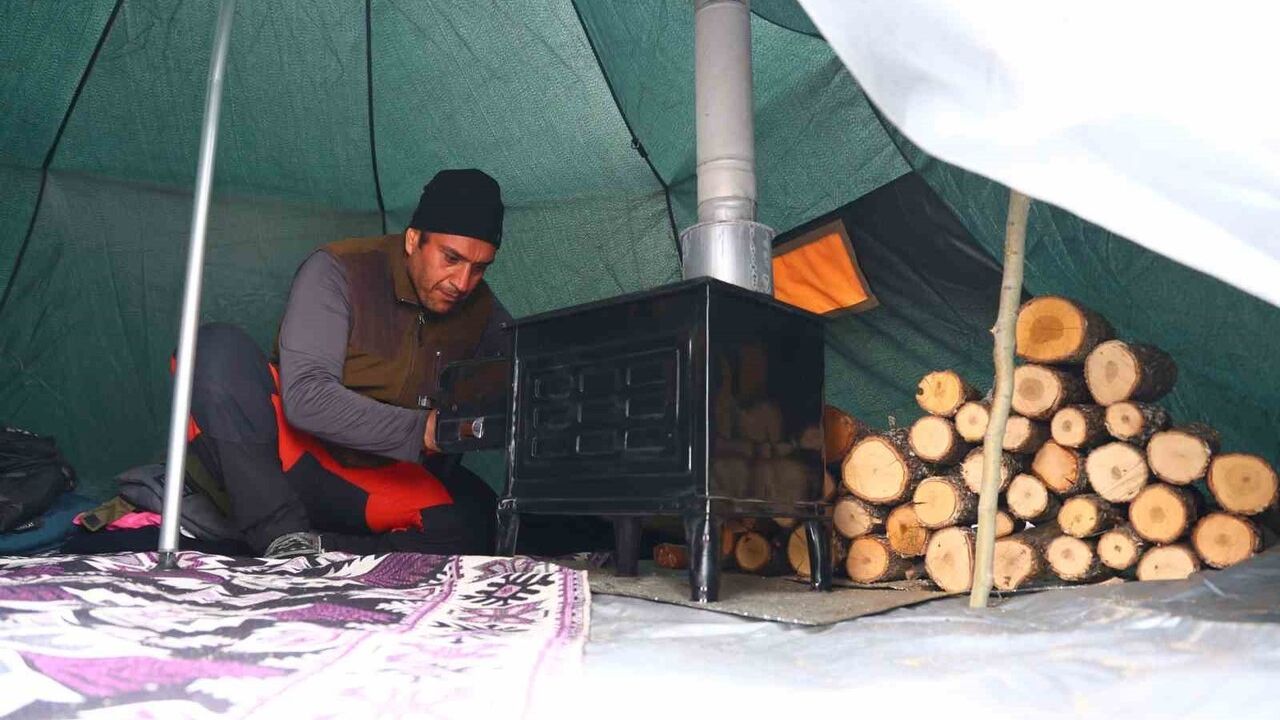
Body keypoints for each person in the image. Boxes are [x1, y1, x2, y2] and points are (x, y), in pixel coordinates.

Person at [184, 169, 512, 558]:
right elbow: (306, 397)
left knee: (486, 522)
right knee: (216, 348)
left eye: (480, 268)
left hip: (378, 481)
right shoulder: (339, 270)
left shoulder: (480, 309)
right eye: (451, 258)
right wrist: (423, 429)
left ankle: (325, 548)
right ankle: (280, 537)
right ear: (413, 240)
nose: (462, 282)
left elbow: (525, 375)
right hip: (292, 464)